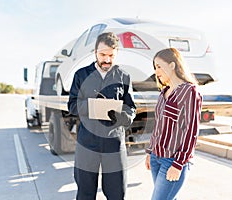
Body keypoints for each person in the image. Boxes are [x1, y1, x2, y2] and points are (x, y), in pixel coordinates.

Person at [68, 32, 136, 200]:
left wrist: (121, 117)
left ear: (117, 54)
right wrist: (93, 106)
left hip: (114, 144)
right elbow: (72, 106)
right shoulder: (81, 75)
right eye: (103, 54)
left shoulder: (124, 77)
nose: (107, 59)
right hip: (87, 143)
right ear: (95, 52)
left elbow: (131, 109)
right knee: (85, 193)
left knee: (117, 194)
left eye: (111, 55)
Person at [145, 48, 202, 200]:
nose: (156, 72)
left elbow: (191, 131)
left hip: (173, 159)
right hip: (156, 157)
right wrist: (150, 152)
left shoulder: (190, 91)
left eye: (159, 66)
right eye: (154, 67)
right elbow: (158, 127)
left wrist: (179, 164)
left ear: (172, 65)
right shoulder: (163, 93)